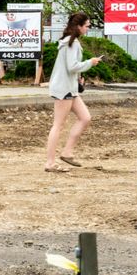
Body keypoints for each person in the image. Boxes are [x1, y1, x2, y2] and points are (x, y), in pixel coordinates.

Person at [45, 12, 103, 172]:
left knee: (85, 118)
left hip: (68, 87)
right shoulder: (73, 43)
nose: (88, 28)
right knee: (58, 125)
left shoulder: (70, 42)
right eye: (87, 26)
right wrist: (90, 63)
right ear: (79, 26)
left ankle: (67, 152)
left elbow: (70, 67)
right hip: (64, 88)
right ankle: (50, 163)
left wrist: (77, 79)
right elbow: (72, 66)